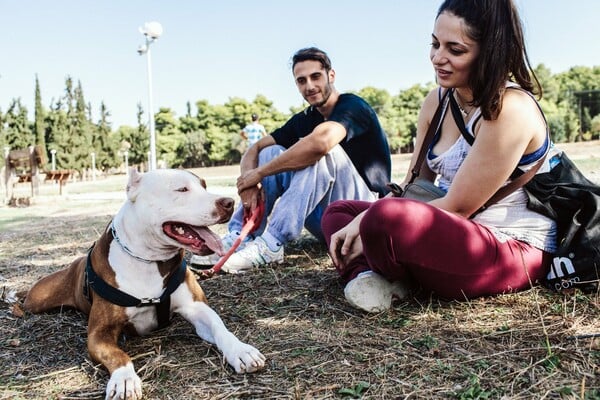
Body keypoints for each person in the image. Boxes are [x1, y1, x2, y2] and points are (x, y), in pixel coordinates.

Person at [321, 0, 559, 313]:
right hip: (450, 230)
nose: (437, 58)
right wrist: (367, 218)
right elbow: (415, 183)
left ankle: (388, 270)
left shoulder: (511, 108)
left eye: (455, 50)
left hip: (508, 244)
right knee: (339, 213)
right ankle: (367, 276)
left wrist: (372, 221)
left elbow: (458, 208)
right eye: (435, 44)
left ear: (490, 51)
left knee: (382, 219)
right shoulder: (437, 101)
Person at [191, 47, 391, 273]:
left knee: (323, 151)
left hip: (362, 214)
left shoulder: (353, 106)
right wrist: (248, 182)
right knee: (270, 152)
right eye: (301, 80)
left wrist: (260, 173)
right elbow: (255, 148)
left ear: (331, 75)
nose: (310, 86)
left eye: (316, 76)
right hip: (326, 221)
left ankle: (272, 245)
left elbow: (320, 143)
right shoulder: (305, 118)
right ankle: (243, 234)